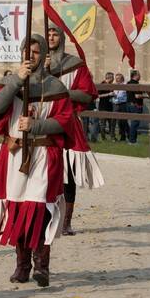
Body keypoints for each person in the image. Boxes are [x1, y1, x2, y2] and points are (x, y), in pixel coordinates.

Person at [0, 34, 73, 287]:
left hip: (43, 155)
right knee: (18, 209)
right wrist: (16, 81)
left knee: (41, 209)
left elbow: (66, 122)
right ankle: (22, 266)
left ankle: (42, 266)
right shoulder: (11, 82)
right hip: (15, 156)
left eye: (35, 52)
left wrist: (37, 124)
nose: (30, 56)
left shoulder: (55, 87)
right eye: (26, 51)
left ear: (44, 56)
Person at [46, 26, 104, 236]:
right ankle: (44, 217)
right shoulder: (36, 63)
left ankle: (66, 222)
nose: (51, 37)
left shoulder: (74, 65)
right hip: (42, 122)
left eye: (55, 34)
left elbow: (87, 94)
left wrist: (62, 92)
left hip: (67, 123)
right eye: (48, 34)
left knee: (67, 174)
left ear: (61, 38)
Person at [125, 70, 143, 144]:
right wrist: (146, 96)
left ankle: (132, 139)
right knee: (135, 123)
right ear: (135, 76)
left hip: (129, 104)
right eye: (139, 75)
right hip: (135, 105)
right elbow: (137, 96)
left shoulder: (128, 83)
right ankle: (132, 141)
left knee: (132, 123)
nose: (140, 76)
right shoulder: (136, 84)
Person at [96, 72, 115, 141]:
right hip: (103, 107)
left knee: (111, 123)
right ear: (109, 78)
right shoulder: (102, 85)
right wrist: (108, 94)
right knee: (103, 124)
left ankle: (112, 137)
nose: (114, 79)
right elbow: (98, 96)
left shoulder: (111, 85)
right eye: (113, 78)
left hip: (110, 106)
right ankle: (103, 138)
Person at [111, 73, 129, 141]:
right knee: (113, 120)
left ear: (122, 79)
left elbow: (125, 95)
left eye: (118, 78)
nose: (116, 80)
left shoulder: (125, 85)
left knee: (122, 121)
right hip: (115, 104)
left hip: (122, 104)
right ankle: (113, 136)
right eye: (116, 78)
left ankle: (123, 136)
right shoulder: (114, 86)